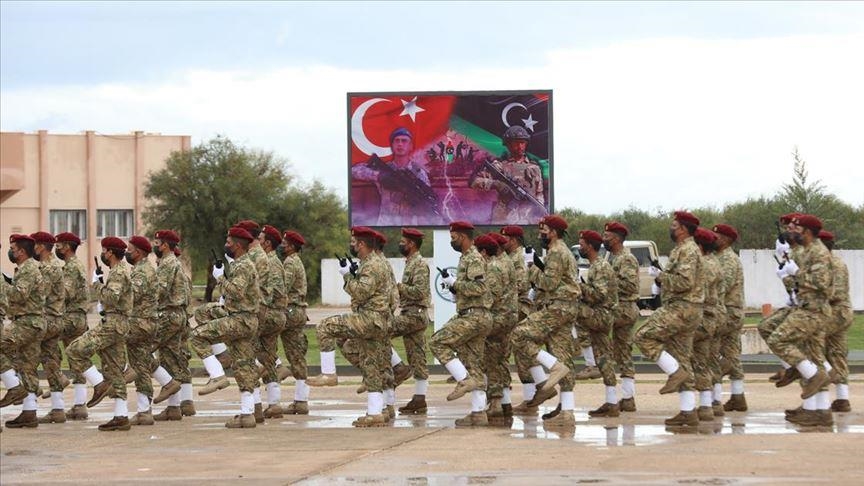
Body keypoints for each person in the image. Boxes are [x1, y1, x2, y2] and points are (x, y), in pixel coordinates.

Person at [315, 227, 393, 427]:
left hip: (369, 319)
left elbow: (361, 292)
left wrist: (347, 276)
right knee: (370, 364)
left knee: (324, 327)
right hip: (379, 320)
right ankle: (375, 414)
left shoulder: (372, 265)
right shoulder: (375, 263)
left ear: (361, 244)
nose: (351, 245)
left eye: (353, 242)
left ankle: (329, 374)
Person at [634, 211, 703, 427]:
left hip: (682, 308)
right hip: (686, 309)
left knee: (643, 336)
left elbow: (684, 282)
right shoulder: (682, 249)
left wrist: (661, 276)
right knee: (681, 356)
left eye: (674, 225)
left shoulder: (688, 250)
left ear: (683, 229)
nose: (671, 228)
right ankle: (688, 412)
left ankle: (675, 372)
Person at [190, 226, 261, 428]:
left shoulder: (243, 265)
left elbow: (236, 292)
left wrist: (220, 277)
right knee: (243, 366)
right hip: (245, 320)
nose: (226, 245)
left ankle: (217, 375)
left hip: (240, 319)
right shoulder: (241, 264)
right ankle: (248, 414)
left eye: (229, 242)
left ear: (237, 245)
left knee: (197, 336)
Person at [767, 214, 833, 426]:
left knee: (778, 339)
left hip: (813, 310)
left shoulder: (818, 251)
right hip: (808, 307)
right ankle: (819, 412)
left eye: (797, 228)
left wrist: (796, 272)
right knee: (814, 357)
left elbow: (821, 283)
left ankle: (812, 375)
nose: (792, 231)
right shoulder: (807, 250)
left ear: (808, 231)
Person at [510, 215, 576, 425]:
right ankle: (568, 411)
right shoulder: (562, 251)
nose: (540, 235)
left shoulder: (556, 252)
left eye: (544, 231)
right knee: (563, 356)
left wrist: (531, 268)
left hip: (557, 307)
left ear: (554, 232)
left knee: (518, 334)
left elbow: (548, 283)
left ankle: (551, 370)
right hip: (565, 307)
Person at [429, 221, 494, 427]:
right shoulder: (466, 257)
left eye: (453, 237)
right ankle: (478, 413)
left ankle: (463, 380)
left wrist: (455, 284)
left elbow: (480, 287)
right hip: (476, 315)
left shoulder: (473, 257)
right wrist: (454, 289)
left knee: (437, 342)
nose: (452, 241)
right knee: (474, 363)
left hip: (474, 316)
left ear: (463, 237)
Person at [66, 236, 133, 431]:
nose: (102, 254)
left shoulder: (118, 272)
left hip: (113, 324)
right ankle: (121, 416)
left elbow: (111, 297)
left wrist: (97, 284)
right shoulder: (118, 271)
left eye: (104, 251)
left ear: (110, 253)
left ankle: (99, 383)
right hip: (117, 323)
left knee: (74, 350)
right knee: (115, 370)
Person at [0, 234, 46, 428]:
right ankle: (29, 412)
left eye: (13, 249)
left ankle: (13, 387)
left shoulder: (28, 268)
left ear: (22, 251)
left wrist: (2, 283)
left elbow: (19, 295)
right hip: (32, 322)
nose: (11, 252)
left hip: (27, 322)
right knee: (27, 366)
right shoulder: (27, 268)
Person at [352, 127, 440, 225]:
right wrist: (379, 176)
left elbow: (426, 197)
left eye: (404, 141)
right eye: (396, 141)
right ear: (392, 146)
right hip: (386, 225)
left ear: (411, 146)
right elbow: (354, 170)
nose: (400, 144)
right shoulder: (384, 169)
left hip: (410, 226)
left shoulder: (418, 173)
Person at [575, 230, 619, 419]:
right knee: (604, 358)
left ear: (590, 246)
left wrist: (579, 286)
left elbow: (599, 294)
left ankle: (585, 360)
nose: (580, 248)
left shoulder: (600, 266)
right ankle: (612, 402)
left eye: (582, 244)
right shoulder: (595, 265)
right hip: (601, 314)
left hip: (602, 314)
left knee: (570, 312)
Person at [151, 229, 194, 421]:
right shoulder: (174, 264)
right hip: (177, 316)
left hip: (168, 315)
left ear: (165, 245)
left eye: (157, 243)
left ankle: (168, 385)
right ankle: (174, 407)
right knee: (171, 359)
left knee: (141, 350)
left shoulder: (167, 263)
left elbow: (158, 291)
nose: (155, 246)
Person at [469, 125, 546, 224]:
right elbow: (474, 182)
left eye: (522, 143)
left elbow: (539, 193)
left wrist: (539, 211)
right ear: (508, 145)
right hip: (503, 219)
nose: (520, 146)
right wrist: (496, 184)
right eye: (516, 143)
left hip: (528, 219)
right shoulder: (500, 166)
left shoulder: (534, 168)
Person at [499, 225, 539, 413]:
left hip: (520, 308)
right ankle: (527, 399)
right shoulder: (511, 258)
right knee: (515, 352)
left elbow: (522, 284)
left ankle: (531, 399)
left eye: (505, 239)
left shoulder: (519, 258)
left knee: (520, 352)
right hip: (512, 308)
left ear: (514, 240)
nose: (502, 242)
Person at [393, 228, 432, 415]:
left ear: (412, 244)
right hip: (412, 313)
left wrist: (398, 287)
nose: (400, 244)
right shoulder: (410, 263)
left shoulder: (420, 264)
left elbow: (419, 292)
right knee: (417, 357)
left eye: (403, 242)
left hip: (415, 315)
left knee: (379, 331)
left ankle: (399, 368)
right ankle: (419, 399)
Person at [29, 232, 67, 425]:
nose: (32, 249)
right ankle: (58, 409)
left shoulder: (48, 268)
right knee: (51, 362)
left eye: (34, 245)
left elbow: (38, 295)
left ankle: (29, 403)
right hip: (54, 319)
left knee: (23, 355)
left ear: (41, 246)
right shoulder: (51, 266)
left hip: (47, 320)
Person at [602, 222, 640, 412]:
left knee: (599, 337)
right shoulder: (614, 258)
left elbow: (630, 286)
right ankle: (627, 398)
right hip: (618, 308)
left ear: (616, 238)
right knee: (623, 353)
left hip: (624, 308)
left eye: (607, 236)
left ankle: (592, 364)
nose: (604, 239)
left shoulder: (626, 259)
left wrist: (607, 282)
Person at [53, 232, 91, 420]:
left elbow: (65, 293)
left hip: (70, 317)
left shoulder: (71, 267)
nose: (56, 249)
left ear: (67, 247)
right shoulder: (77, 265)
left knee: (44, 342)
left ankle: (58, 379)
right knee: (77, 361)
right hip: (79, 318)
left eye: (58, 245)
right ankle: (79, 405)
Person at [482, 232, 517, 423]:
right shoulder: (507, 262)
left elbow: (491, 297)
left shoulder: (495, 266)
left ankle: (495, 402)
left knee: (492, 359)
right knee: (501, 359)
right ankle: (506, 403)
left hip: (498, 317)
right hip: (508, 316)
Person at [711, 223, 746, 414]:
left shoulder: (728, 259)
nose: (713, 239)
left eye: (716, 236)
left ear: (726, 240)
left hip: (728, 312)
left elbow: (722, 286)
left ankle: (714, 399)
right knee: (731, 354)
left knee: (711, 351)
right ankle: (738, 397)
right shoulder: (719, 257)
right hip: (729, 311)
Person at [692, 227, 725, 422]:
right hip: (715, 315)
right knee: (709, 361)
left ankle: (704, 405)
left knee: (699, 361)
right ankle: (713, 403)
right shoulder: (714, 262)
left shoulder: (704, 264)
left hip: (705, 316)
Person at [817, 230, 853, 412]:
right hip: (842, 312)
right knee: (837, 353)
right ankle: (842, 399)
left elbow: (834, 293)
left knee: (811, 343)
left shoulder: (829, 264)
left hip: (833, 312)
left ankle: (818, 399)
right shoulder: (837, 262)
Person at [277, 230, 311, 415]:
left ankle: (277, 367)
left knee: (262, 336)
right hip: (298, 311)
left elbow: (283, 287)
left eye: (284, 243)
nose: (282, 246)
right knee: (296, 356)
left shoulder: (290, 262)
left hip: (290, 310)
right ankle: (301, 400)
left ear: (291, 246)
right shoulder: (296, 261)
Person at [257, 225, 288, 419]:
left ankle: (278, 365)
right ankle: (274, 404)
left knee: (241, 340)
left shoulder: (270, 262)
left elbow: (271, 293)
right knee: (267, 356)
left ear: (267, 243)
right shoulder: (272, 261)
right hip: (275, 314)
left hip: (271, 314)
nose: (257, 242)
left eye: (260, 239)